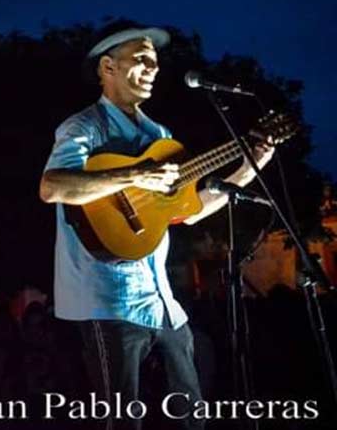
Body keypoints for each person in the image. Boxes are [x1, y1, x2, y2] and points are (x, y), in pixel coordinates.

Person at [38, 24, 274, 429]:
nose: (153, 67)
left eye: (155, 61)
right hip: (105, 298)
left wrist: (248, 169)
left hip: (160, 300)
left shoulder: (158, 136)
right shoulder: (84, 127)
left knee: (191, 416)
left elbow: (189, 211)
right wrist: (133, 176)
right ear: (107, 67)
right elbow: (52, 186)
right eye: (141, 58)